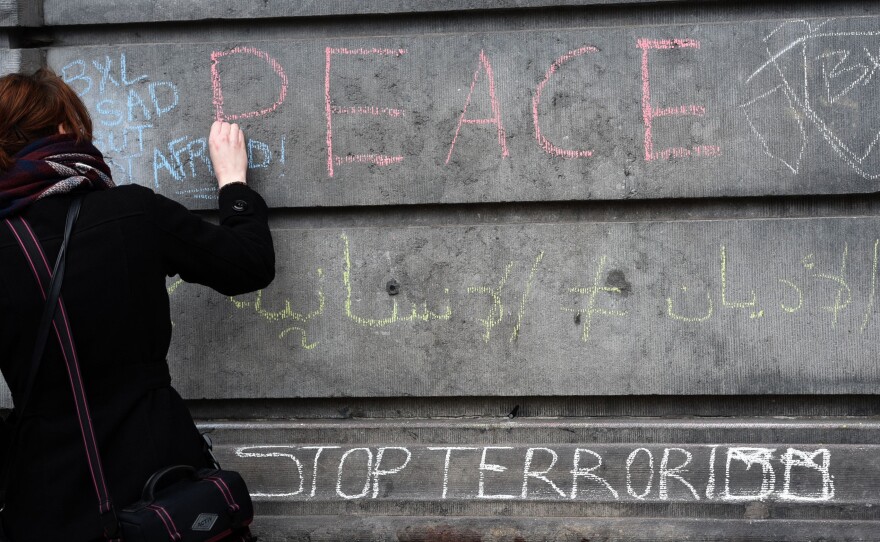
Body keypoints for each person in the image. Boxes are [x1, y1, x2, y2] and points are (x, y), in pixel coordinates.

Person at [0, 68, 274, 540]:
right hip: (159, 483)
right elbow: (248, 266)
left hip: (43, 497)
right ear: (66, 130)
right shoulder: (130, 213)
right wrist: (233, 185)